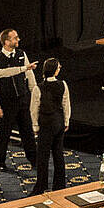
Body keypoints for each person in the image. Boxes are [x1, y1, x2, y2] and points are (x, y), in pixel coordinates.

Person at [0, 28, 33, 174]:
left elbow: (29, 74)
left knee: (27, 131)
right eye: (15, 38)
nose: (18, 40)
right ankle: (0, 160)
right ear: (7, 42)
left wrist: (34, 92)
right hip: (7, 103)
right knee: (4, 133)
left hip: (22, 98)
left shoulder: (21, 54)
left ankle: (33, 159)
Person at [30, 56, 72, 194]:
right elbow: (66, 104)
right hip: (58, 122)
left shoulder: (38, 88)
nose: (60, 69)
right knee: (58, 154)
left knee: (43, 157)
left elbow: (34, 109)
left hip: (46, 124)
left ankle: (41, 186)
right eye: (59, 67)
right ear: (54, 70)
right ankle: (59, 185)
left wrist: (35, 127)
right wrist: (66, 121)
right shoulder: (63, 84)